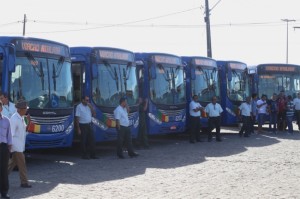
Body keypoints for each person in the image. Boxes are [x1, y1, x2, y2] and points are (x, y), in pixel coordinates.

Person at [7, 100, 32, 188]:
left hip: (20, 146)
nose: (26, 110)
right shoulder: (14, 119)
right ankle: (24, 182)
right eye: (25, 109)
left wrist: (28, 121)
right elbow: (11, 134)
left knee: (10, 165)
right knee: (22, 164)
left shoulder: (21, 117)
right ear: (20, 109)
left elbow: (25, 130)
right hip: (16, 146)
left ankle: (2, 178)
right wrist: (10, 146)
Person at [0, 101, 12, 199]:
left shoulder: (6, 121)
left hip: (3, 148)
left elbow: (9, 135)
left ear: (1, 109)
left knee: (4, 170)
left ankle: (4, 191)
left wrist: (9, 148)